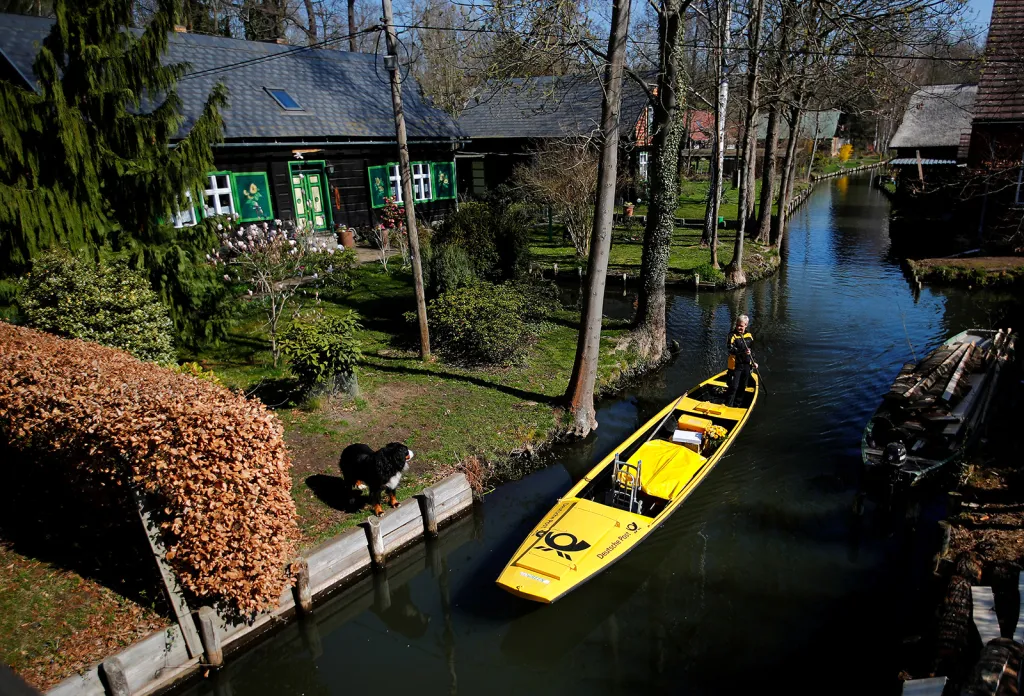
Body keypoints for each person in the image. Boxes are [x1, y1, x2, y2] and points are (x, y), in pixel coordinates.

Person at [724, 314, 756, 407]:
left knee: (742, 386)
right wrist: (743, 352)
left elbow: (752, 350)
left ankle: (737, 404)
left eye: (741, 326)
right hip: (735, 365)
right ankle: (728, 404)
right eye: (737, 325)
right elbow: (730, 349)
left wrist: (754, 361)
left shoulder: (749, 335)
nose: (738, 327)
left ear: (746, 325)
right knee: (733, 386)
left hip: (746, 364)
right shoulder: (731, 335)